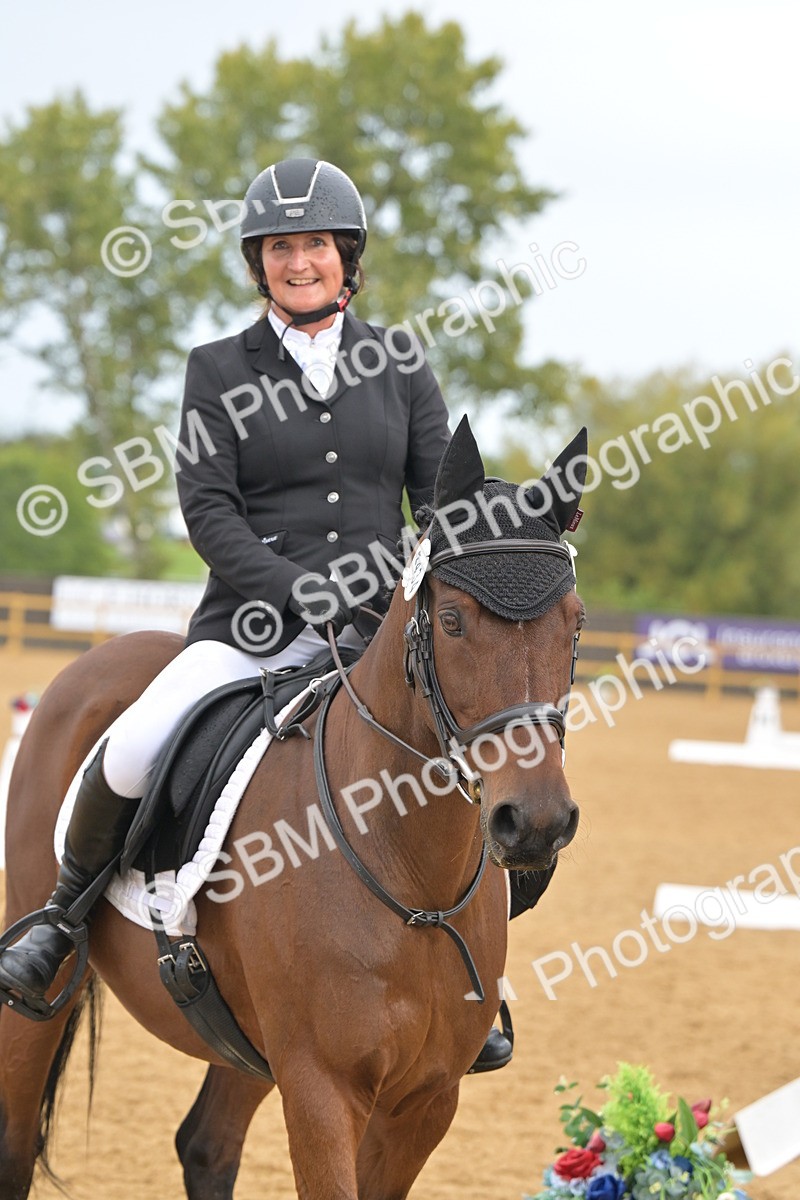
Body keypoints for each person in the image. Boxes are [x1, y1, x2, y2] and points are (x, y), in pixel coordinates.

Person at [0, 158, 511, 1070]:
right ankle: (59, 921)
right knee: (130, 745)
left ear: (345, 256)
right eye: (281, 247)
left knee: (498, 755)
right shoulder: (216, 369)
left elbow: (439, 504)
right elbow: (207, 511)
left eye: (315, 244)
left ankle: (477, 977)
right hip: (248, 632)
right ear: (258, 262)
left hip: (376, 638)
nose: (299, 261)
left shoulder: (400, 364)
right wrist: (294, 593)